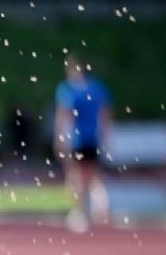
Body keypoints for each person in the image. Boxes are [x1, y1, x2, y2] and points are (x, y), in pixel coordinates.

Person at [54, 55, 113, 229]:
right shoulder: (97, 88)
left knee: (75, 175)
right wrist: (106, 135)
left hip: (77, 139)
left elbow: (64, 115)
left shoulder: (69, 90)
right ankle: (101, 207)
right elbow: (106, 114)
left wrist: (59, 138)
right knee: (94, 175)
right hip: (93, 137)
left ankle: (80, 212)